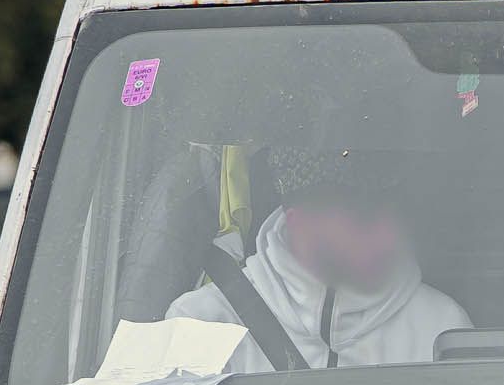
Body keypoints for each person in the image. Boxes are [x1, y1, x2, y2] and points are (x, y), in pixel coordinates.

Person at [167, 150, 469, 369]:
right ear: (299, 225)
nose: (388, 236)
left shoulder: (442, 327)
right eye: (364, 220)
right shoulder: (203, 322)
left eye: (392, 216)